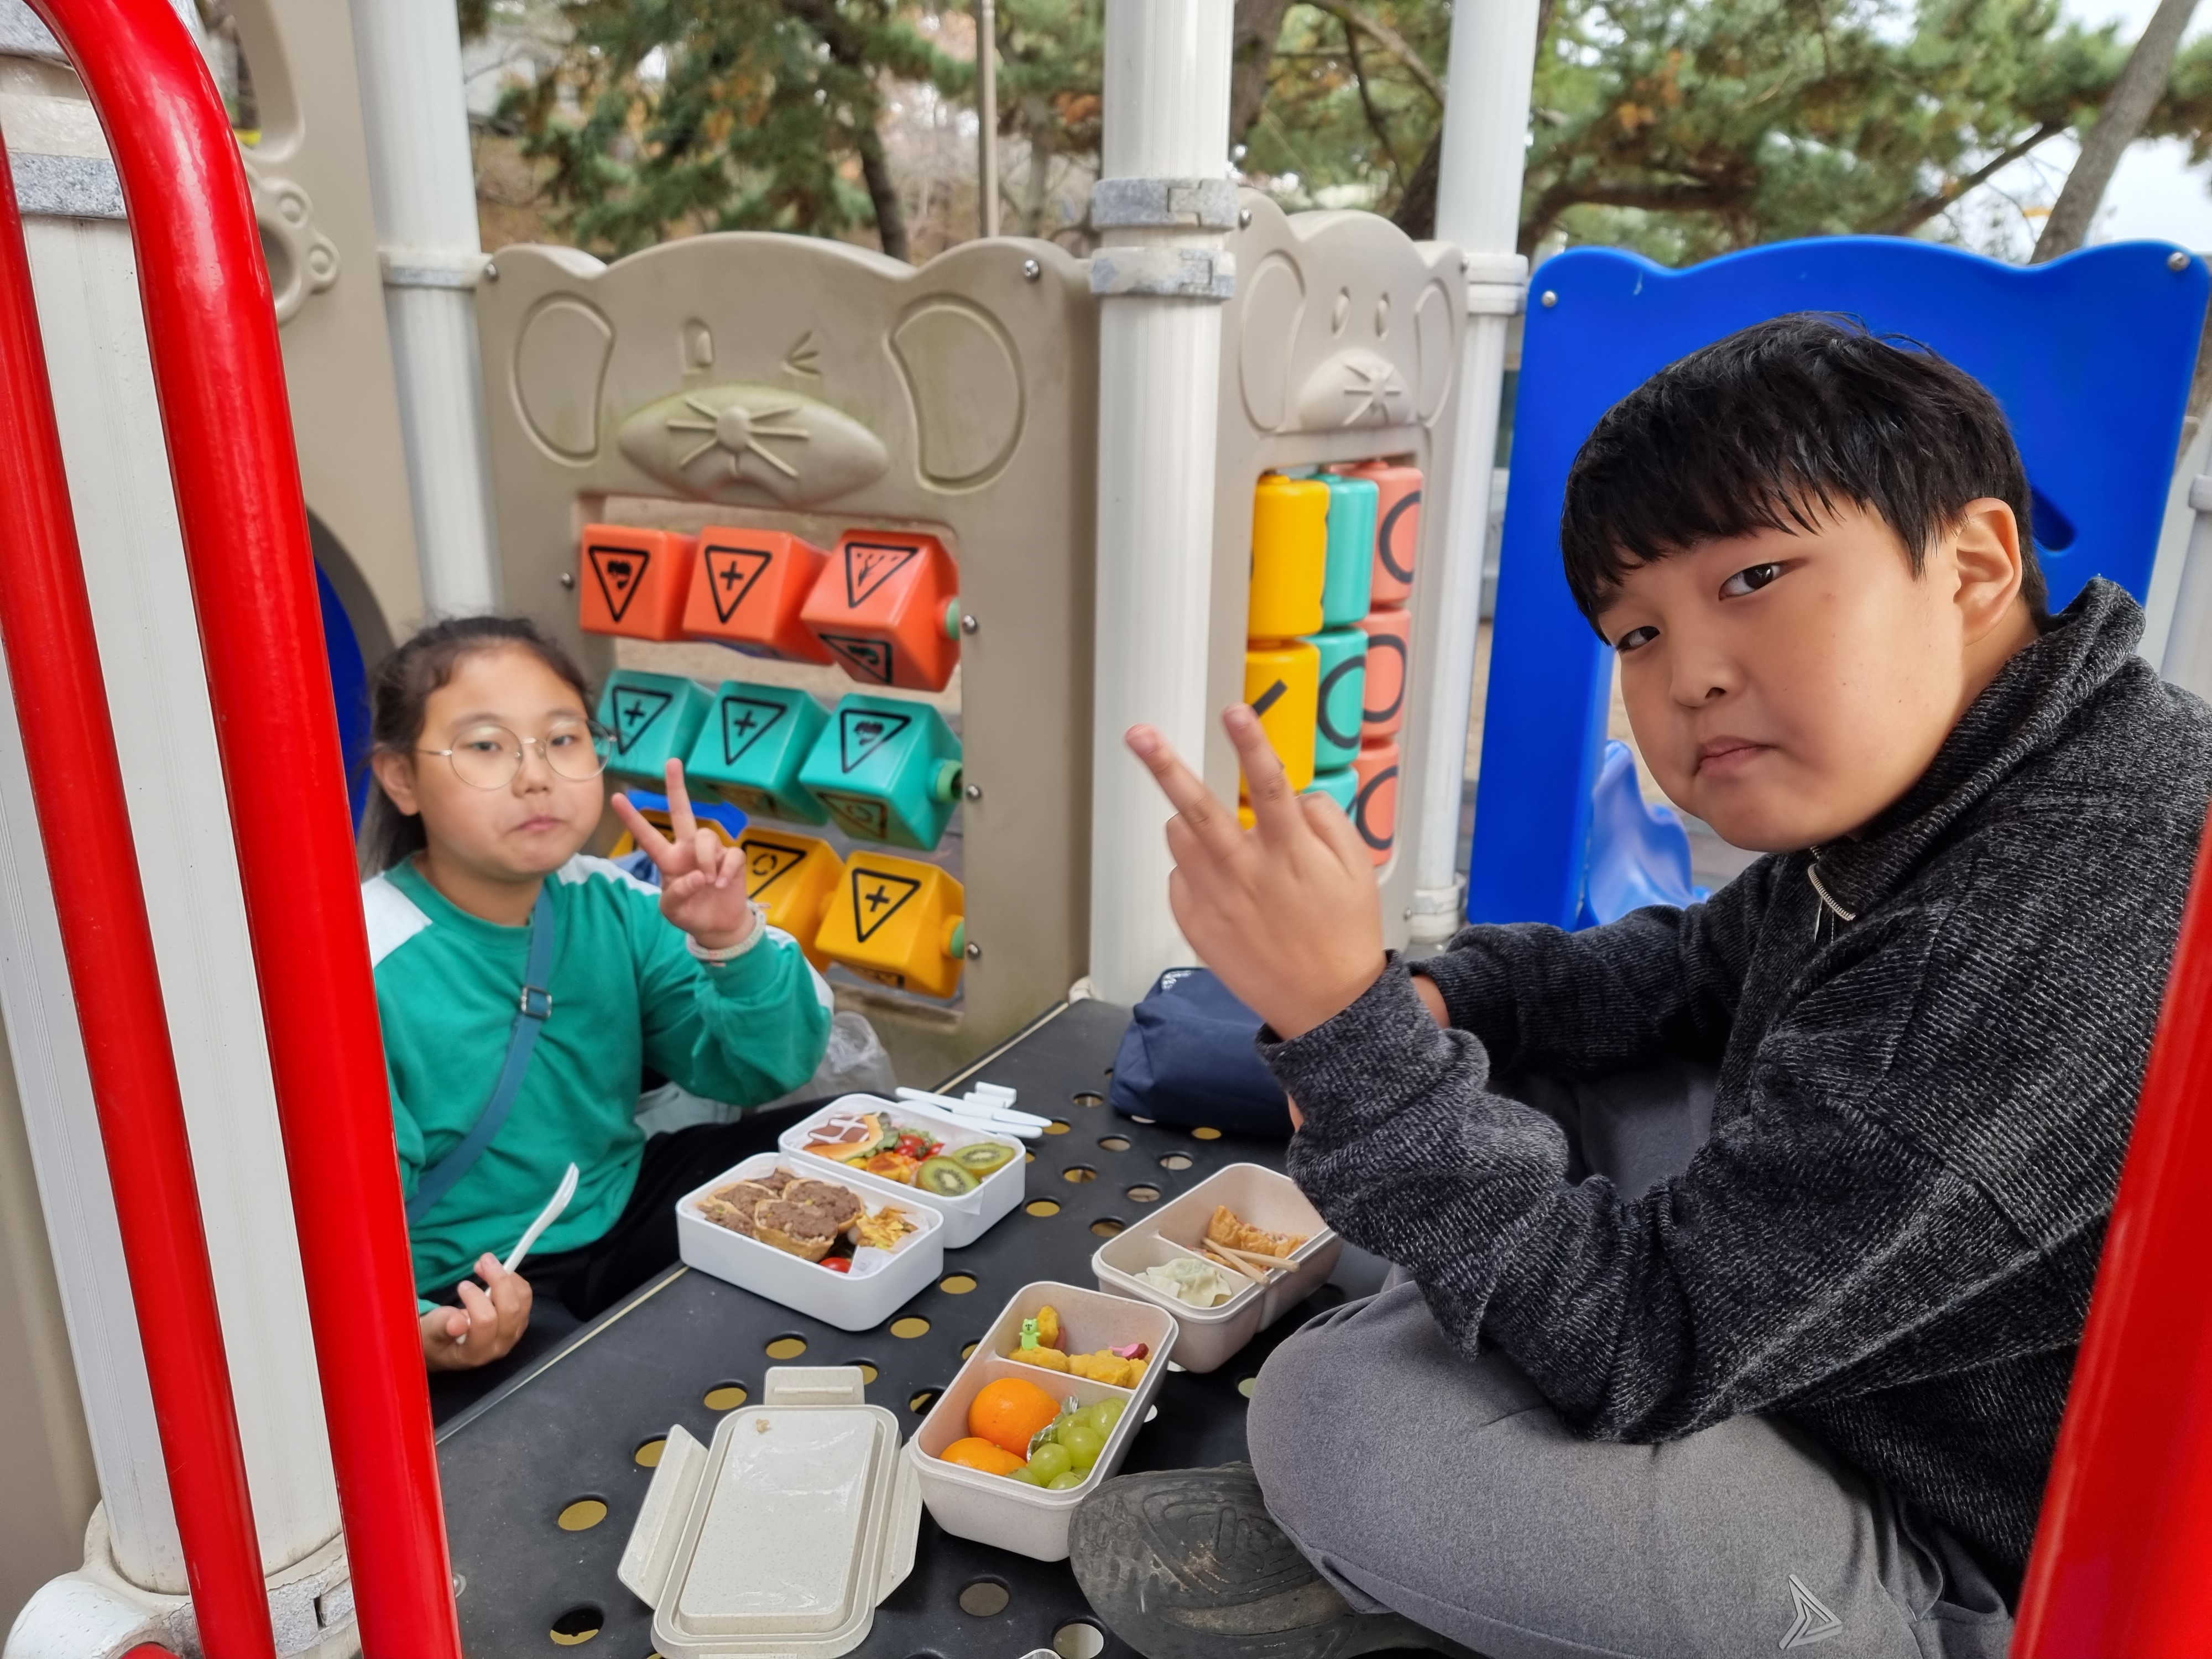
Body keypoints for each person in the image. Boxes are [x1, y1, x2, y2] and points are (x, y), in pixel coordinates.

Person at [1071, 315, 2212, 1659]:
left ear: (1970, 563)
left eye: (1754, 578)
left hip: (1968, 1527)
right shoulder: (1979, 768)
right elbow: (1684, 971)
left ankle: (1886, 1625)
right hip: (1831, 1336)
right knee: (1509, 1077)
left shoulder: (2037, 921)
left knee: (1338, 1416)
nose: (1690, 678)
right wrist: (1435, 1005)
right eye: (1636, 632)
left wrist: (1346, 1031)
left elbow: (1648, 1342)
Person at [358, 615, 833, 1371]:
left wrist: (730, 939)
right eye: (486, 746)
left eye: (563, 738)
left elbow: (760, 1070)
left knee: (855, 1139)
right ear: (401, 779)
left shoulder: (613, 901)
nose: (536, 776)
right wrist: (418, 1333)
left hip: (621, 1204)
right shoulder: (362, 966)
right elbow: (339, 1225)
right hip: (462, 1282)